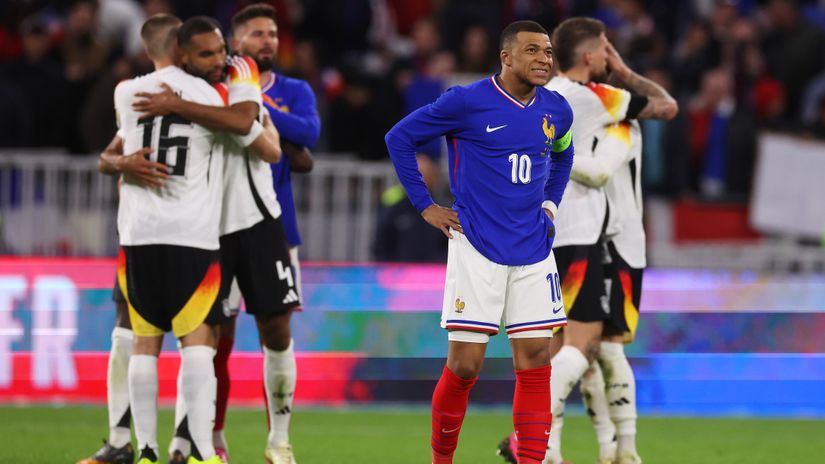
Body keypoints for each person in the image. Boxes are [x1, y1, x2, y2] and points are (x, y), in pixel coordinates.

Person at [385, 20, 574, 464]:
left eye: (548, 51)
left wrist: (550, 205)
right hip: (477, 247)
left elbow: (564, 154)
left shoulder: (557, 110)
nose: (544, 59)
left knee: (535, 361)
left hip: (533, 250)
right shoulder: (467, 102)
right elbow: (400, 137)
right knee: (465, 365)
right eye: (532, 50)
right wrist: (425, 205)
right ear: (506, 57)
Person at [498, 17, 677, 464]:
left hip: (542, 232)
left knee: (568, 348)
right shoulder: (598, 101)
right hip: (591, 236)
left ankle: (584, 450)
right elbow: (666, 106)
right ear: (592, 55)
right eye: (604, 49)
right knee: (590, 344)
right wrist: (625, 72)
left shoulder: (538, 99)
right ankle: (534, 442)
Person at [132, 8, 306, 462]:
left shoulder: (239, 70)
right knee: (204, 337)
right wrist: (116, 162)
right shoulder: (167, 86)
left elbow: (245, 117)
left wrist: (179, 106)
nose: (219, 59)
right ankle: (200, 441)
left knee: (276, 328)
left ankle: (279, 443)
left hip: (257, 219)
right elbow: (120, 141)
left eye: (221, 50)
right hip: (204, 228)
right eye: (206, 53)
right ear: (182, 55)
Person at [112, 15, 234, 464]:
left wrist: (116, 162)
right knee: (198, 340)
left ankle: (145, 452)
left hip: (139, 233)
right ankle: (199, 452)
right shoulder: (209, 94)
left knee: (144, 340)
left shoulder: (126, 92)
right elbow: (238, 123)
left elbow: (117, 147)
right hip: (192, 234)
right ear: (183, 49)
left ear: (147, 50)